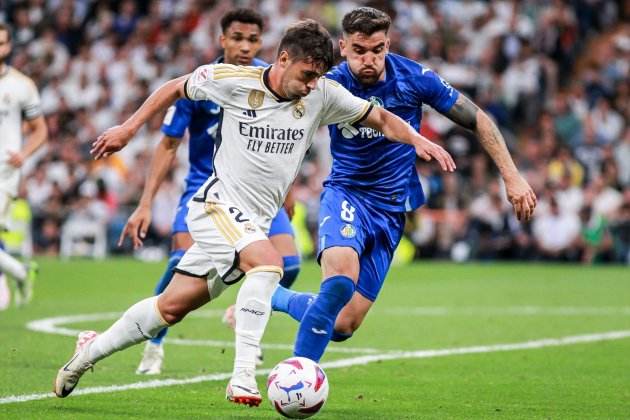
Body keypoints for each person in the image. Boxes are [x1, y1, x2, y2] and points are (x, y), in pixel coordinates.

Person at [54, 19, 455, 407]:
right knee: (268, 264)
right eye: (307, 74)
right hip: (215, 206)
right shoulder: (233, 81)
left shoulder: (322, 94)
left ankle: (89, 351)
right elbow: (175, 87)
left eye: (318, 76)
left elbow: (381, 117)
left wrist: (419, 140)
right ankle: (243, 376)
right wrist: (128, 127)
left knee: (170, 308)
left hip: (253, 221)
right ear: (283, 60)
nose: (312, 84)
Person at [270, 7, 537, 363]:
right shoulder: (326, 83)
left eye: (378, 50)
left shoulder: (414, 78)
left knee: (344, 324)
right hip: (345, 193)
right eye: (360, 50)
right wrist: (284, 186)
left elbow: (478, 119)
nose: (370, 59)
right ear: (343, 47)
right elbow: (291, 132)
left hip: (391, 209)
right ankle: (299, 374)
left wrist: (512, 175)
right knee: (338, 281)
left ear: (388, 44)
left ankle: (273, 297)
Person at [118, 8, 301, 376]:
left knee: (290, 264)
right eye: (237, 38)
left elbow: (289, 137)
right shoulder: (203, 82)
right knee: (179, 266)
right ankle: (154, 344)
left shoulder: (271, 78)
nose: (245, 46)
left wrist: (287, 188)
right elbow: (169, 144)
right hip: (206, 188)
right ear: (222, 40)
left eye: (252, 39)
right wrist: (145, 203)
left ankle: (242, 311)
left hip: (255, 191)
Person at [0, 23, 47, 308]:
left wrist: (24, 153)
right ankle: (20, 271)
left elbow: (40, 130)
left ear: (8, 47)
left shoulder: (22, 85)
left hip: (3, 172)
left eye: (2, 43)